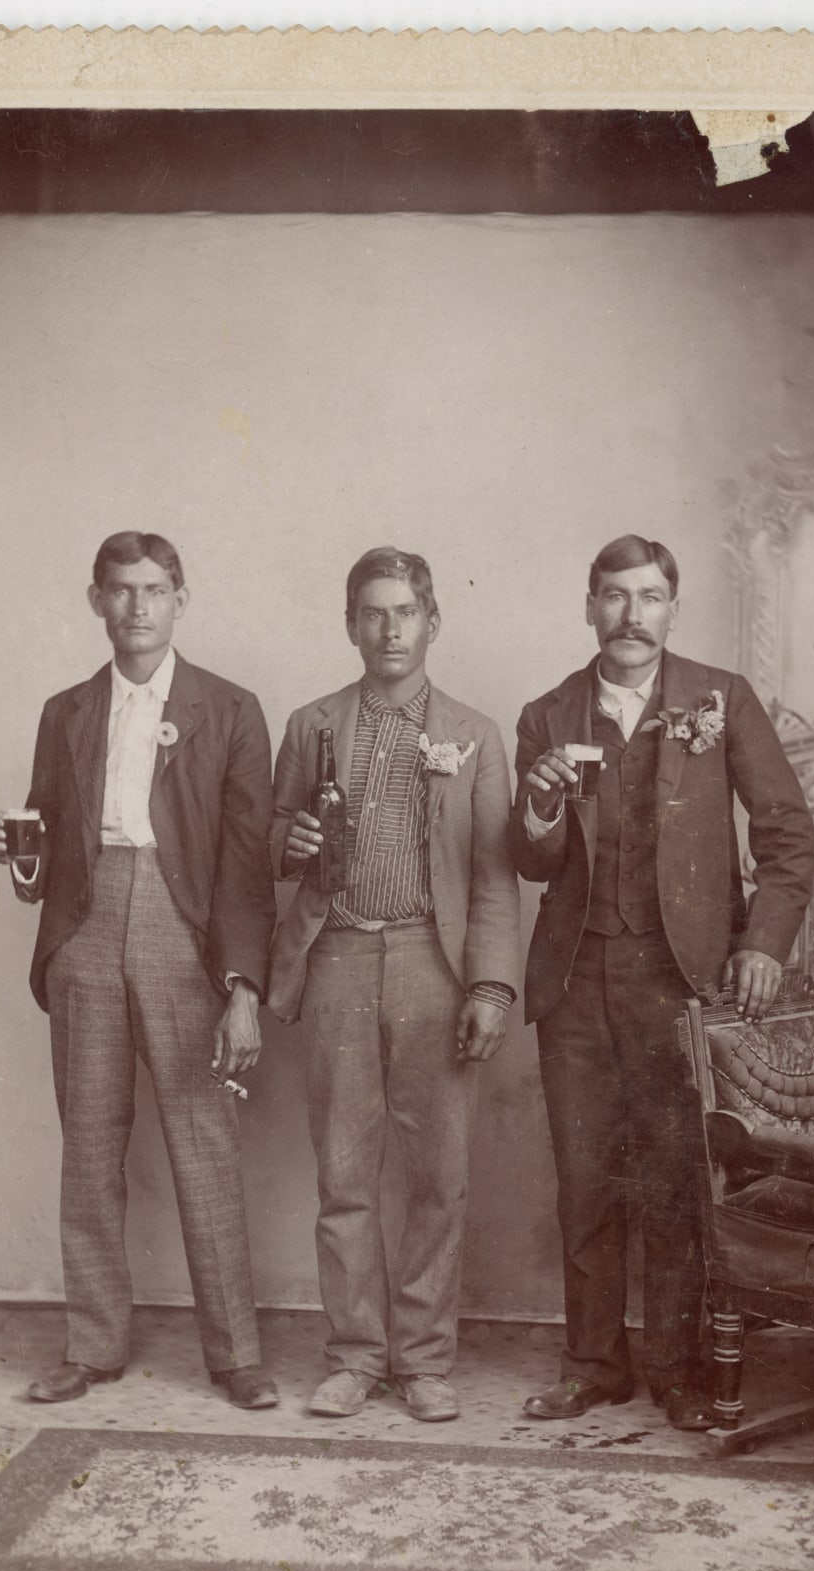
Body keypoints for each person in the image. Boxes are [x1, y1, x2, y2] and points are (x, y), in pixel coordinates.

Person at [513, 533, 814, 1429]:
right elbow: (530, 863)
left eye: (647, 597)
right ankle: (592, 1364)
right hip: (574, 979)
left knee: (677, 1176)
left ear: (671, 609)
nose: (630, 615)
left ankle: (679, 1367)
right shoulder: (547, 713)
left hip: (681, 980)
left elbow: (787, 835)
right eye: (612, 596)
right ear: (589, 607)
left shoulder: (718, 701)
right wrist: (536, 806)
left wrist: (761, 943)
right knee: (585, 1175)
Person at [0, 530, 279, 1408]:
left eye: (153, 589)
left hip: (183, 930)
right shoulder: (65, 710)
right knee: (89, 1148)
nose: (137, 606)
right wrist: (16, 855)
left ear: (180, 598)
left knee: (203, 1142)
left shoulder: (230, 709)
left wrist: (242, 989)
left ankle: (235, 1357)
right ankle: (92, 1344)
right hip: (83, 928)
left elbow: (245, 869)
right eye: (120, 590)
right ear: (96, 601)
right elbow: (41, 859)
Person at [268, 546, 521, 1422]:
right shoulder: (311, 724)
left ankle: (422, 1360)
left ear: (431, 621)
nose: (387, 629)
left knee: (437, 1176)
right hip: (336, 955)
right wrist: (289, 843)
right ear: (349, 624)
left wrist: (490, 988)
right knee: (344, 1173)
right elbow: (270, 835)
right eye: (371, 613)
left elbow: (494, 877)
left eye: (403, 612)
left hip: (432, 965)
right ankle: (352, 1355)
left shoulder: (475, 735)